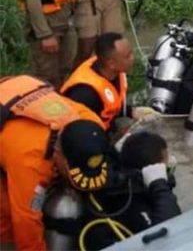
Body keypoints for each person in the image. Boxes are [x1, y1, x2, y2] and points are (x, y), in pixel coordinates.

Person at [0, 75, 109, 251]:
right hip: (10, 114)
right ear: (58, 155)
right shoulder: (31, 162)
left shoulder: (91, 123)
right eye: (69, 171)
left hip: (22, 88)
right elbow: (26, 220)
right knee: (5, 217)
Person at [81, 131, 181, 250]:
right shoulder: (135, 204)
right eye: (166, 157)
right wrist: (160, 186)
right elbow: (168, 238)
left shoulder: (118, 186)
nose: (170, 160)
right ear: (156, 168)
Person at [61, 32, 158, 132]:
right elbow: (80, 134)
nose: (132, 58)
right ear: (111, 63)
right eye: (127, 56)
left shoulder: (110, 69)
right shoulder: (86, 94)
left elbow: (111, 103)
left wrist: (132, 111)